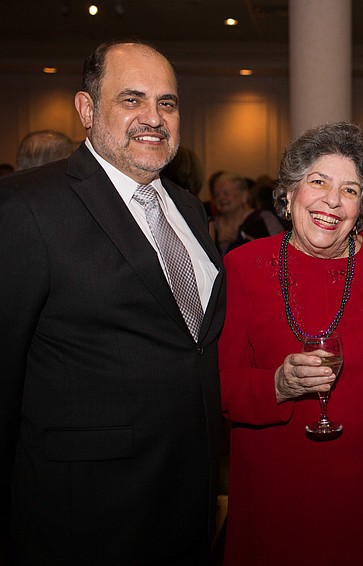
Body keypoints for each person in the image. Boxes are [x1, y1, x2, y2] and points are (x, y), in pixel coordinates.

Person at [0, 41, 225, 563]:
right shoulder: (27, 207)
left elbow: (188, 343)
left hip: (187, 498)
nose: (154, 118)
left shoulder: (189, 210)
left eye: (167, 103)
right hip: (85, 514)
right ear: (87, 109)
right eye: (132, 100)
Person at [218, 121, 363, 565]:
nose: (333, 201)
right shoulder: (243, 266)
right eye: (318, 181)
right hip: (289, 501)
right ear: (289, 192)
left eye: (351, 190)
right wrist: (277, 386)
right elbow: (218, 388)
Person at [210, 171, 283, 254]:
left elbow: (280, 250)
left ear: (244, 196)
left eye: (226, 193)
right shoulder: (212, 225)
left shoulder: (263, 218)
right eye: (217, 195)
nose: (221, 198)